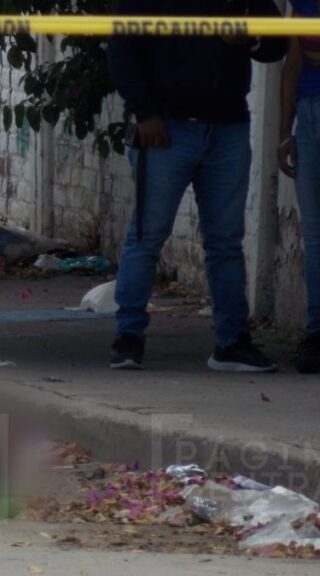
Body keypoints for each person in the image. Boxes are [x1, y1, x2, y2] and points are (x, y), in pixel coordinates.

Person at [106, 0, 286, 372]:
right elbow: (122, 49)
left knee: (225, 241)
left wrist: (248, 39)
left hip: (227, 126)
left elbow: (277, 43)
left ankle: (232, 342)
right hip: (167, 127)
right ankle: (128, 337)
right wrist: (144, 112)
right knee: (148, 234)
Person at [279, 2, 320, 374]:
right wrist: (283, 132)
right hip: (309, 115)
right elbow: (295, 61)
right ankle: (317, 333)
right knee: (315, 235)